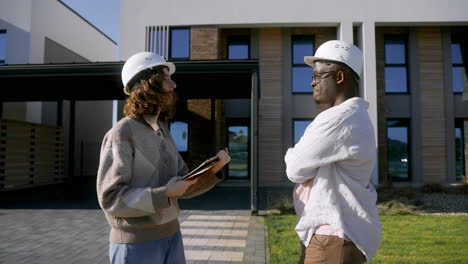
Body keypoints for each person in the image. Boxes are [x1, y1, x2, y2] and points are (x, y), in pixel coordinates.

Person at [96, 52, 230, 264]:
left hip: (172, 235)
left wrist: (213, 169)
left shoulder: (163, 130)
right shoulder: (122, 133)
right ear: (147, 85)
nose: (173, 85)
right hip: (135, 244)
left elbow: (183, 184)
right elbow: (110, 199)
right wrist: (165, 193)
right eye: (165, 78)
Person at [285, 40, 381, 264]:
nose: (311, 83)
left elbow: (294, 168)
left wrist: (293, 152)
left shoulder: (338, 118)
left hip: (332, 238)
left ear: (339, 77)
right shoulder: (355, 116)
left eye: (318, 76)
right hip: (338, 234)